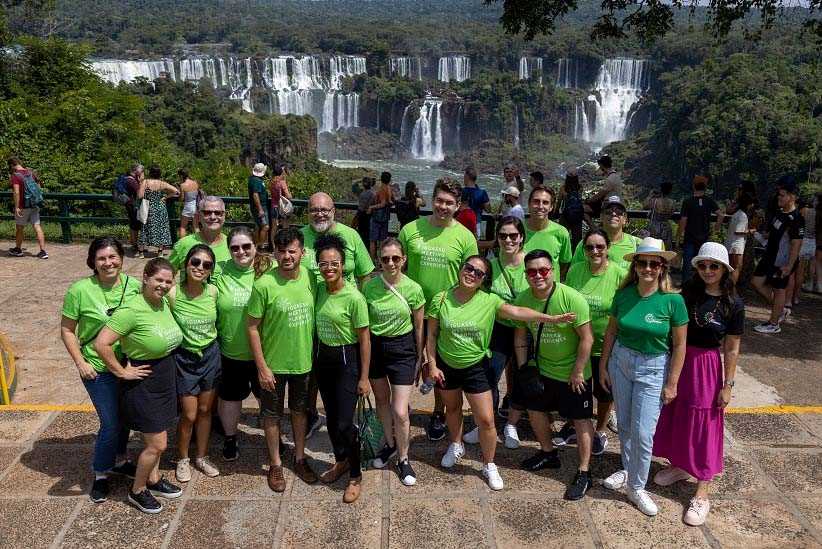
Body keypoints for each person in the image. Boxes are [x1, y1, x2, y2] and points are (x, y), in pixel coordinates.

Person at [426, 255, 576, 491]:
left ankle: (489, 463)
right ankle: (456, 444)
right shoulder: (441, 298)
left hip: (476, 366)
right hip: (446, 365)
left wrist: (550, 318)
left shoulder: (489, 300)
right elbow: (432, 335)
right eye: (469, 268)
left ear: (484, 280)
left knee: (486, 420)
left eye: (479, 273)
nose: (472, 274)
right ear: (461, 269)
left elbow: (517, 311)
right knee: (452, 408)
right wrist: (432, 364)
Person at [653, 242, 744, 526]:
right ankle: (680, 464)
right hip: (680, 360)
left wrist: (727, 384)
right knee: (677, 415)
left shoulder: (733, 304)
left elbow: (731, 348)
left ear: (724, 270)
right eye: (702, 265)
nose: (708, 270)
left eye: (714, 266)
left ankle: (702, 491)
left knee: (704, 423)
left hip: (706, 366)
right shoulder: (687, 295)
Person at [598, 237, 688, 516]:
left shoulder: (673, 301)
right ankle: (627, 469)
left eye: (654, 263)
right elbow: (612, 332)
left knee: (643, 432)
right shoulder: (623, 295)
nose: (648, 268)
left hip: (654, 366)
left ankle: (637, 487)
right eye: (643, 262)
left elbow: (680, 345)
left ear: (662, 267)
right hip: (621, 361)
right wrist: (603, 366)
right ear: (635, 265)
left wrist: (672, 382)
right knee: (624, 424)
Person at [94, 258, 184, 514]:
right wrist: (122, 371)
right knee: (158, 445)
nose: (164, 285)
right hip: (143, 384)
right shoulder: (131, 310)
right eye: (159, 280)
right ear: (145, 277)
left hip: (164, 378)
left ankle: (153, 480)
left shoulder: (162, 303)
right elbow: (101, 344)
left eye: (168, 281)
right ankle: (137, 490)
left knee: (154, 438)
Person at [61, 237, 142, 502]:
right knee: (110, 423)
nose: (108, 263)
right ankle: (100, 473)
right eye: (101, 258)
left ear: (121, 258)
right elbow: (67, 330)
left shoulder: (134, 287)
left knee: (125, 417)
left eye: (113, 257)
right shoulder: (80, 290)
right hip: (97, 367)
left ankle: (120, 458)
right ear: (93, 262)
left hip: (127, 364)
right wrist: (80, 362)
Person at [398, 178, 479, 442]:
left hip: (446, 310)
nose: (443, 207)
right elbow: (400, 269)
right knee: (407, 359)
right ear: (431, 199)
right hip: (411, 308)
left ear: (457, 206)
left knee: (439, 364)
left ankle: (438, 411)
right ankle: (403, 407)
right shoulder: (410, 230)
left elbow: (471, 275)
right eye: (440, 201)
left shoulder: (465, 238)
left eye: (449, 203)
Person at [512, 250, 594, 500]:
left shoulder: (571, 298)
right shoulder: (523, 298)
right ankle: (548, 453)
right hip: (543, 370)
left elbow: (587, 338)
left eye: (543, 270)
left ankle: (584, 471)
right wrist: (524, 367)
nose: (538, 276)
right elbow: (520, 334)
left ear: (553, 271)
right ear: (525, 275)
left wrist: (578, 371)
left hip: (573, 373)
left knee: (580, 420)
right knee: (535, 412)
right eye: (531, 271)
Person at [247, 227, 319, 492]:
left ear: (302, 252)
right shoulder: (264, 284)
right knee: (272, 416)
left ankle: (299, 458)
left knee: (300, 412)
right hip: (273, 366)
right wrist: (262, 367)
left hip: (303, 362)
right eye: (282, 251)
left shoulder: (311, 278)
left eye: (292, 251)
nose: (287, 256)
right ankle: (276, 463)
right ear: (275, 253)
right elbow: (252, 327)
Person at [362, 238, 425, 486]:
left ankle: (403, 456)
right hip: (376, 347)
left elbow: (419, 326)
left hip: (403, 349)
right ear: (379, 260)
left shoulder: (413, 288)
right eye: (385, 258)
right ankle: (389, 444)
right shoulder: (369, 287)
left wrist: (420, 358)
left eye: (395, 258)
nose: (390, 263)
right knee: (381, 402)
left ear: (403, 260)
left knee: (400, 410)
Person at [313, 234, 371, 503]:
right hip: (323, 358)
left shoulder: (354, 297)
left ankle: (356, 474)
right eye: (323, 264)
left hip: (347, 359)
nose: (329, 268)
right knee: (333, 419)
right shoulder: (320, 289)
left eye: (334, 263)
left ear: (344, 264)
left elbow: (364, 339)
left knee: (347, 423)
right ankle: (341, 461)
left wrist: (364, 376)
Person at [463, 217, 528, 449]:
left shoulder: (530, 263)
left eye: (513, 235)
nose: (508, 240)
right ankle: (484, 422)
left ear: (521, 237)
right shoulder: (490, 263)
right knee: (489, 375)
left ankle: (511, 424)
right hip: (497, 328)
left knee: (522, 376)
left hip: (525, 329)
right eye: (503, 235)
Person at [563, 229, 627, 456]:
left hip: (606, 346)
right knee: (578, 388)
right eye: (589, 247)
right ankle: (576, 424)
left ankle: (599, 431)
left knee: (603, 393)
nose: (595, 251)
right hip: (578, 343)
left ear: (608, 248)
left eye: (600, 246)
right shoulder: (576, 270)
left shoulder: (620, 274)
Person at [168, 244, 222, 482]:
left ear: (211, 270)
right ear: (186, 263)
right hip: (184, 357)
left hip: (210, 355)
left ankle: (201, 456)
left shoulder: (213, 292)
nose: (200, 267)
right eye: (195, 262)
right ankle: (182, 457)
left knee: (205, 410)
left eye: (206, 265)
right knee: (189, 414)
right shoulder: (173, 294)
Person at [213, 226, 260, 461]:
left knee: (269, 400)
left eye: (246, 246)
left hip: (264, 351)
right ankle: (230, 438)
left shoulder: (268, 270)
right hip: (231, 351)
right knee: (230, 398)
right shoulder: (219, 272)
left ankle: (274, 438)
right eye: (235, 248)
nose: (240, 251)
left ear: (256, 246)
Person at [751, 177, 804, 334]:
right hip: (769, 256)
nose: (779, 198)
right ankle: (779, 310)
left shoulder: (796, 219)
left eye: (782, 195)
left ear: (792, 197)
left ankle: (773, 323)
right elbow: (771, 233)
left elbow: (796, 244)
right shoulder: (779, 213)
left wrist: (789, 265)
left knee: (779, 289)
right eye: (779, 195)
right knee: (756, 282)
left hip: (782, 260)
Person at [571, 196, 640, 271]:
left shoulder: (637, 245)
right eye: (608, 212)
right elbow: (575, 272)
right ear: (601, 217)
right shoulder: (587, 244)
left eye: (619, 212)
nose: (614, 214)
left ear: (625, 219)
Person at [169, 196, 231, 276]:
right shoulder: (183, 244)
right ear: (198, 216)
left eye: (218, 213)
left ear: (224, 216)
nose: (213, 217)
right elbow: (166, 274)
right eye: (207, 213)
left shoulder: (233, 246)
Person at [677, 175, 721, 282]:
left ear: (693, 186)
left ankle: (686, 286)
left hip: (689, 238)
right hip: (704, 238)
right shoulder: (709, 201)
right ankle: (700, 285)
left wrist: (678, 235)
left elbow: (683, 220)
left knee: (687, 264)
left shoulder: (687, 202)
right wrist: (716, 228)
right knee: (702, 264)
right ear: (705, 188)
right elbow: (721, 214)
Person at [523, 187, 572, 278]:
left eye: (545, 202)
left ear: (551, 207)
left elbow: (565, 264)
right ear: (529, 204)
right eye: (536, 201)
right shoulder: (516, 232)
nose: (540, 206)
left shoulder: (561, 233)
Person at [8, 156, 48, 259]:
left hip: (23, 206)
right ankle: (43, 251)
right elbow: (39, 188)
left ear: (12, 165)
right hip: (34, 204)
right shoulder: (31, 172)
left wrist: (17, 207)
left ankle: (18, 249)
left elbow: (16, 192)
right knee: (37, 226)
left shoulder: (15, 176)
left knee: (20, 228)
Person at [137, 166, 179, 258]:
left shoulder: (145, 182)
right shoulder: (162, 183)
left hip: (149, 208)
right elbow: (176, 191)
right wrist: (165, 197)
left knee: (144, 228)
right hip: (160, 208)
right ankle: (160, 251)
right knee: (161, 229)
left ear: (150, 173)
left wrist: (141, 184)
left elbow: (140, 196)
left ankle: (141, 252)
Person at [724, 193, 754, 284]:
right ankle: (732, 290)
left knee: (731, 268)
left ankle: (728, 289)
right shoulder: (742, 215)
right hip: (736, 245)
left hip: (731, 244)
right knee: (736, 268)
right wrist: (750, 231)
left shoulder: (736, 213)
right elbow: (738, 231)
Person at [119, 163, 145, 253]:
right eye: (141, 170)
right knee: (135, 225)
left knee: (133, 224)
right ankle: (135, 245)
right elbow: (140, 193)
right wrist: (141, 181)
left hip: (130, 204)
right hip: (133, 205)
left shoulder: (130, 179)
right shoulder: (131, 181)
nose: (142, 172)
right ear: (135, 170)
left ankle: (134, 244)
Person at [643, 182, 676, 252]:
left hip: (654, 226)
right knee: (666, 249)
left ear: (661, 189)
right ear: (670, 191)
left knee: (653, 247)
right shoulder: (672, 202)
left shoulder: (655, 201)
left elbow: (645, 206)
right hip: (666, 227)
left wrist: (650, 195)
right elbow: (671, 213)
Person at [368, 172, 394, 260]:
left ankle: (373, 262)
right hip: (385, 217)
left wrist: (372, 206)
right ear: (389, 180)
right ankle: (382, 261)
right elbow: (390, 202)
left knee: (372, 241)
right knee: (382, 241)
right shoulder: (389, 188)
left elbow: (382, 204)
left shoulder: (382, 189)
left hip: (377, 217)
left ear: (381, 178)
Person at [796, 195, 816, 300]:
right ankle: (810, 283)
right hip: (814, 241)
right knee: (810, 266)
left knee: (799, 270)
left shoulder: (804, 211)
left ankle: (795, 295)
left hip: (803, 240)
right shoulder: (817, 213)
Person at [462, 167, 490, 237]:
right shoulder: (482, 193)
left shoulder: (461, 191)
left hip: (461, 222)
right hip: (476, 223)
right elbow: (488, 210)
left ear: (467, 177)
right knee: (475, 245)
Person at [248, 163, 270, 250]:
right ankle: (261, 246)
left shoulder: (253, 179)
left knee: (257, 226)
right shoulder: (257, 181)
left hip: (258, 207)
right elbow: (255, 195)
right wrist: (260, 209)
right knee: (265, 226)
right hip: (260, 208)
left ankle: (256, 245)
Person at [560, 172, 585, 248]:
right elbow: (580, 200)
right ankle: (577, 255)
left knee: (562, 236)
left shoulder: (563, 188)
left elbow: (559, 201)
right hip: (577, 216)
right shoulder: (580, 187)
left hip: (566, 215)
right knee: (577, 239)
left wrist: (555, 212)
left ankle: (564, 255)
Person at [269, 164, 292, 233]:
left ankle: (273, 243)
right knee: (285, 227)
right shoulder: (282, 182)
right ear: (281, 172)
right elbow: (288, 196)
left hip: (273, 206)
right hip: (282, 208)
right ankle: (284, 243)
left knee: (274, 228)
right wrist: (290, 194)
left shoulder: (272, 182)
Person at [177, 169, 200, 239]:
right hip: (195, 206)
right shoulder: (195, 183)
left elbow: (181, 199)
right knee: (196, 227)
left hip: (187, 206)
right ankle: (199, 242)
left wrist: (179, 194)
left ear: (181, 176)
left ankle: (182, 244)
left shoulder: (182, 185)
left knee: (183, 227)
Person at [355, 177, 375, 250]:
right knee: (365, 233)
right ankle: (365, 249)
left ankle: (361, 247)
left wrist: (360, 180)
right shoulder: (372, 193)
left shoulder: (361, 192)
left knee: (362, 232)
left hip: (362, 214)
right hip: (366, 214)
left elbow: (354, 184)